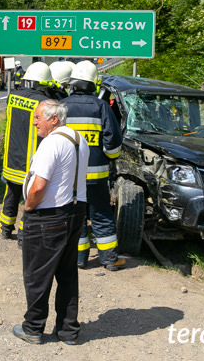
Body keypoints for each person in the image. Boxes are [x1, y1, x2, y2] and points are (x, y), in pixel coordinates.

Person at [12, 100, 88, 346]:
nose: (34, 122)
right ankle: (68, 330)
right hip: (75, 212)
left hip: (49, 216)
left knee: (37, 274)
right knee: (67, 274)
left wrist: (28, 206)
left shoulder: (51, 143)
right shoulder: (79, 139)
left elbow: (40, 185)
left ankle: (33, 328)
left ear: (54, 119)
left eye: (37, 118)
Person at [63, 60, 125, 271]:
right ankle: (109, 260)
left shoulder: (62, 106)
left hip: (70, 176)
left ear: (72, 83)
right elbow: (113, 140)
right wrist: (109, 157)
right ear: (93, 84)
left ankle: (79, 260)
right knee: (101, 214)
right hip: (97, 175)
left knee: (76, 216)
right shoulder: (100, 107)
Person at [0, 62, 56, 241]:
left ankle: (5, 228)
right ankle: (24, 234)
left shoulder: (12, 97)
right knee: (29, 199)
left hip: (11, 158)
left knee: (11, 194)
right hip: (30, 162)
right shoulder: (43, 103)